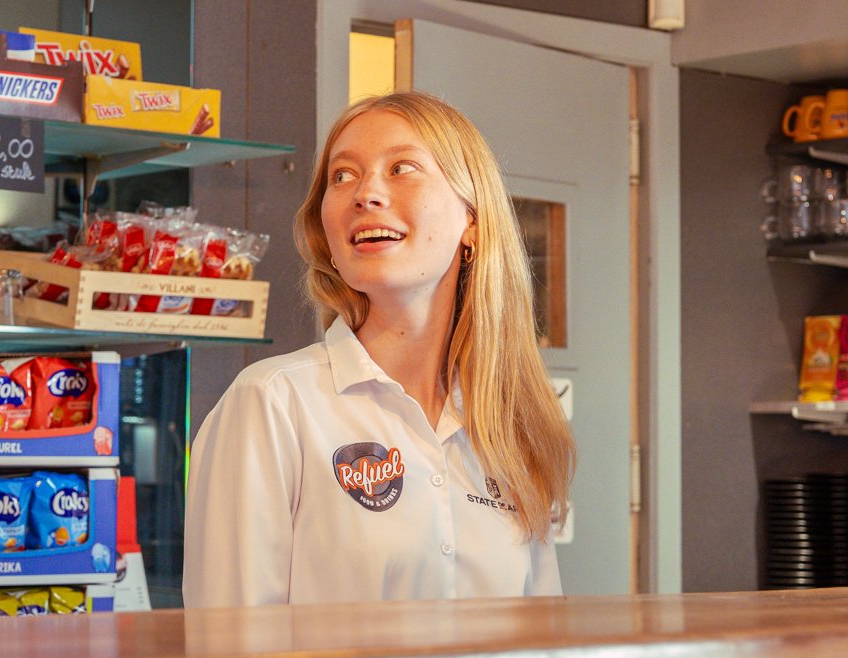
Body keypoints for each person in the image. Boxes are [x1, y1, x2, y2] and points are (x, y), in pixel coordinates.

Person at [183, 92, 574, 606]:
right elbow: (230, 649)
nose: (365, 193)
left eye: (402, 167)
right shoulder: (273, 404)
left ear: (472, 219)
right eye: (342, 176)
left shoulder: (510, 421)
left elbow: (541, 636)